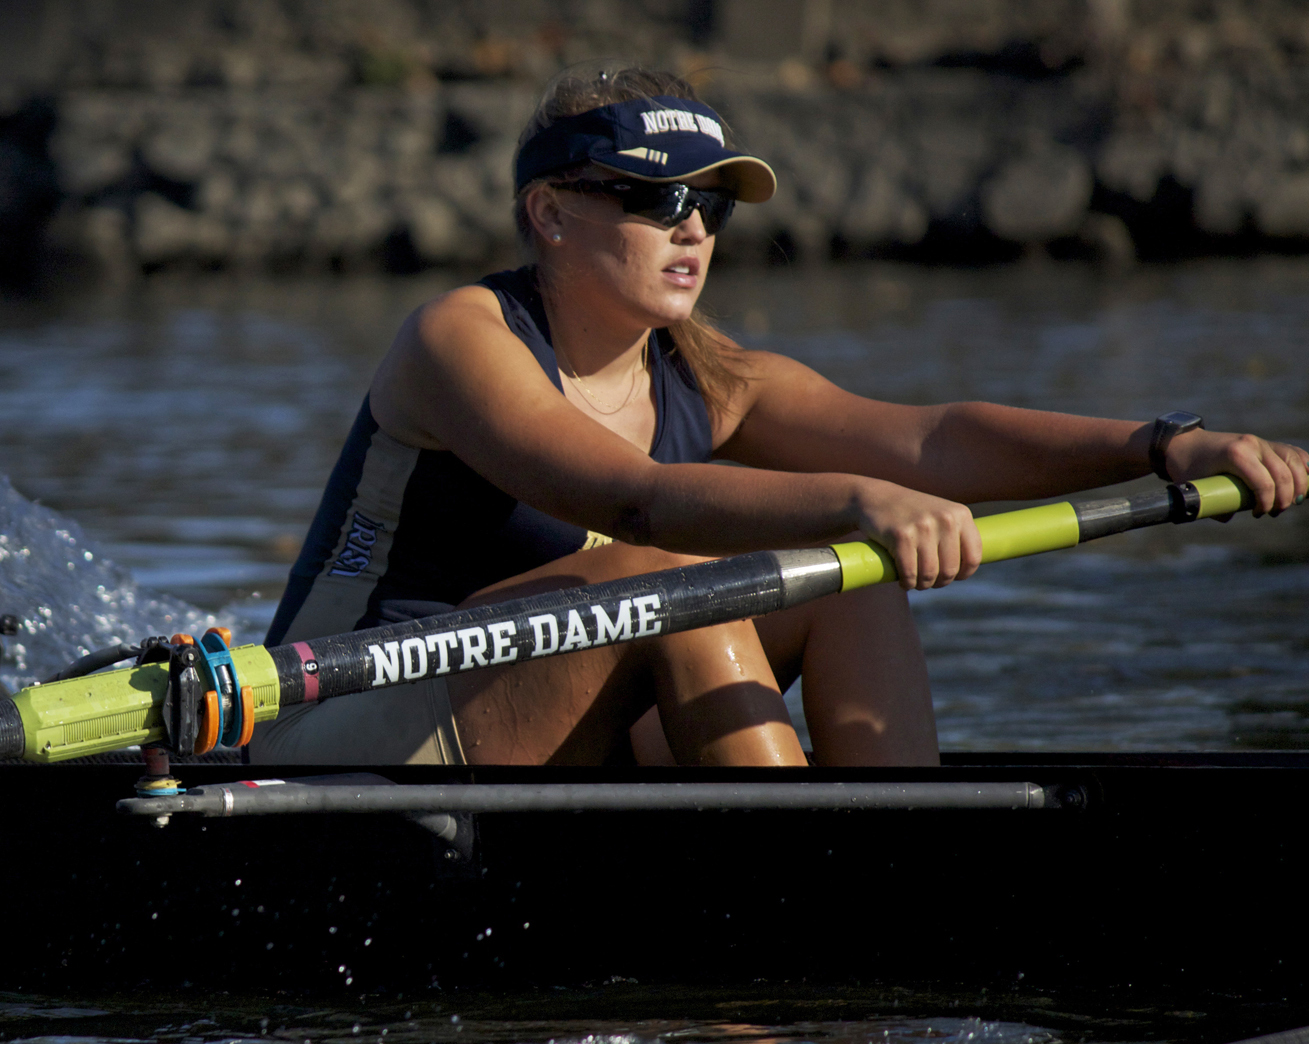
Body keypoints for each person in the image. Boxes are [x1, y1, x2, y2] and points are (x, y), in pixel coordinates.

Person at [250, 67, 1309, 769]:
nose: (693, 232)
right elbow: (628, 497)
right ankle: (802, 914)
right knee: (671, 578)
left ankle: (897, 864)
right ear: (550, 214)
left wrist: (1166, 443)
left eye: (710, 207)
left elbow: (934, 441)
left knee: (843, 574)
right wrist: (860, 497)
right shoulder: (460, 337)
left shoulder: (711, 379)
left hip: (546, 715)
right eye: (658, 200)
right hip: (340, 721)